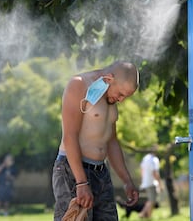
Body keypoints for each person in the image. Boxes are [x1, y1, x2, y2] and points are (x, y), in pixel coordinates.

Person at [52, 61, 140, 221]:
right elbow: (69, 135)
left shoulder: (110, 98)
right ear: (109, 78)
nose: (121, 100)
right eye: (120, 94)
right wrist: (81, 183)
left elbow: (112, 141)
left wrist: (127, 180)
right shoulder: (79, 84)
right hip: (72, 171)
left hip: (101, 173)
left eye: (125, 97)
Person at [138, 145, 163, 219]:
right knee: (152, 201)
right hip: (152, 182)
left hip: (146, 182)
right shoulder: (154, 159)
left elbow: (141, 169)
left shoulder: (146, 158)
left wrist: (143, 179)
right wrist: (160, 184)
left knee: (150, 200)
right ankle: (145, 215)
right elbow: (155, 172)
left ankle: (145, 215)